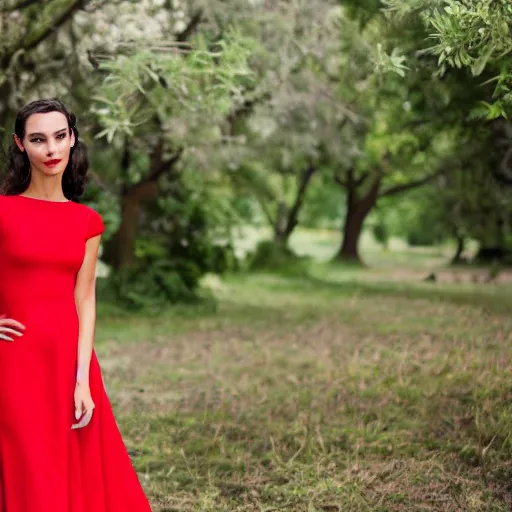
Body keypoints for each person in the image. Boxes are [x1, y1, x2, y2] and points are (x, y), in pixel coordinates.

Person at [0, 99, 152, 511]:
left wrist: (82, 378)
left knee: (72, 471)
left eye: (59, 136)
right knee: (28, 465)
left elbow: (84, 298)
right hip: (13, 360)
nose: (51, 149)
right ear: (20, 144)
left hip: (69, 360)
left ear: (71, 139)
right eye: (37, 139)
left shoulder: (86, 221)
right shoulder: (3, 211)